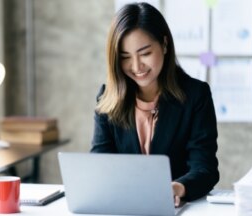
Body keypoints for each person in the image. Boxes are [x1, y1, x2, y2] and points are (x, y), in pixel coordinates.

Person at [91, 2, 219, 206]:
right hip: (121, 206)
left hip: (175, 207)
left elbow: (205, 169)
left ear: (165, 44)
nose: (136, 66)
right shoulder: (108, 98)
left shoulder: (196, 95)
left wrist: (178, 187)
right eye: (125, 57)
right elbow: (100, 165)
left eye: (145, 53)